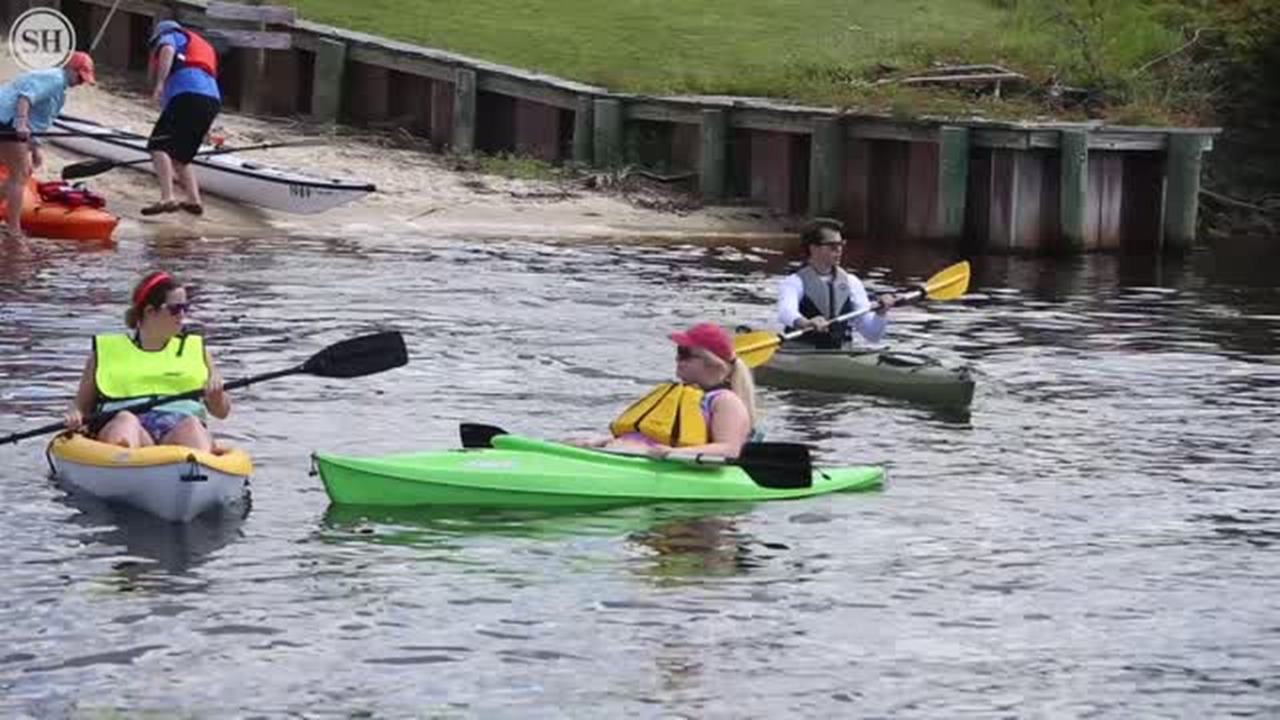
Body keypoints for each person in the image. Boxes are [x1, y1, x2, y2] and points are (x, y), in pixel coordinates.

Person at [63, 271, 229, 452]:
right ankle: (124, 468)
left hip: (178, 429)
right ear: (149, 311)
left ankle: (197, 470)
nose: (182, 315)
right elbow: (81, 406)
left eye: (185, 308)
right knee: (125, 421)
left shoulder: (197, 350)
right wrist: (75, 414)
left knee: (192, 426)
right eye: (175, 309)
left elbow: (221, 412)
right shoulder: (104, 353)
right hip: (127, 426)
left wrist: (216, 396)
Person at [580, 322, 759, 459]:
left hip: (663, 461)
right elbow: (650, 433)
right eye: (678, 352)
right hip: (633, 452)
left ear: (712, 363)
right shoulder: (679, 394)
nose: (678, 360)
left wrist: (674, 452)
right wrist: (603, 440)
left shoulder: (725, 400)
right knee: (575, 441)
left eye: (685, 354)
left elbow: (729, 449)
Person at [0, 52, 96, 238]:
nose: (81, 82)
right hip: (6, 120)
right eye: (80, 76)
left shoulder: (59, 89)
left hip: (10, 122)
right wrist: (20, 122)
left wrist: (35, 147)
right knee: (18, 175)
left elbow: (36, 119)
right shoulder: (54, 79)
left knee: (24, 172)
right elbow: (25, 97)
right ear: (70, 69)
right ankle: (14, 230)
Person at [776, 217, 898, 349]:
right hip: (801, 351)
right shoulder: (794, 282)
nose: (839, 250)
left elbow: (873, 336)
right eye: (833, 246)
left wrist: (881, 314)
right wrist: (806, 323)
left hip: (841, 352)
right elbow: (786, 313)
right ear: (813, 248)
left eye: (841, 245)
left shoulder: (851, 282)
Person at [142, 20, 222, 217]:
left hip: (188, 95)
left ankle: (167, 197)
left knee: (157, 145)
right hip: (211, 101)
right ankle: (194, 200)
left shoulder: (171, 35)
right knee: (181, 156)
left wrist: (160, 83)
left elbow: (167, 49)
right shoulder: (200, 46)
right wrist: (206, 129)